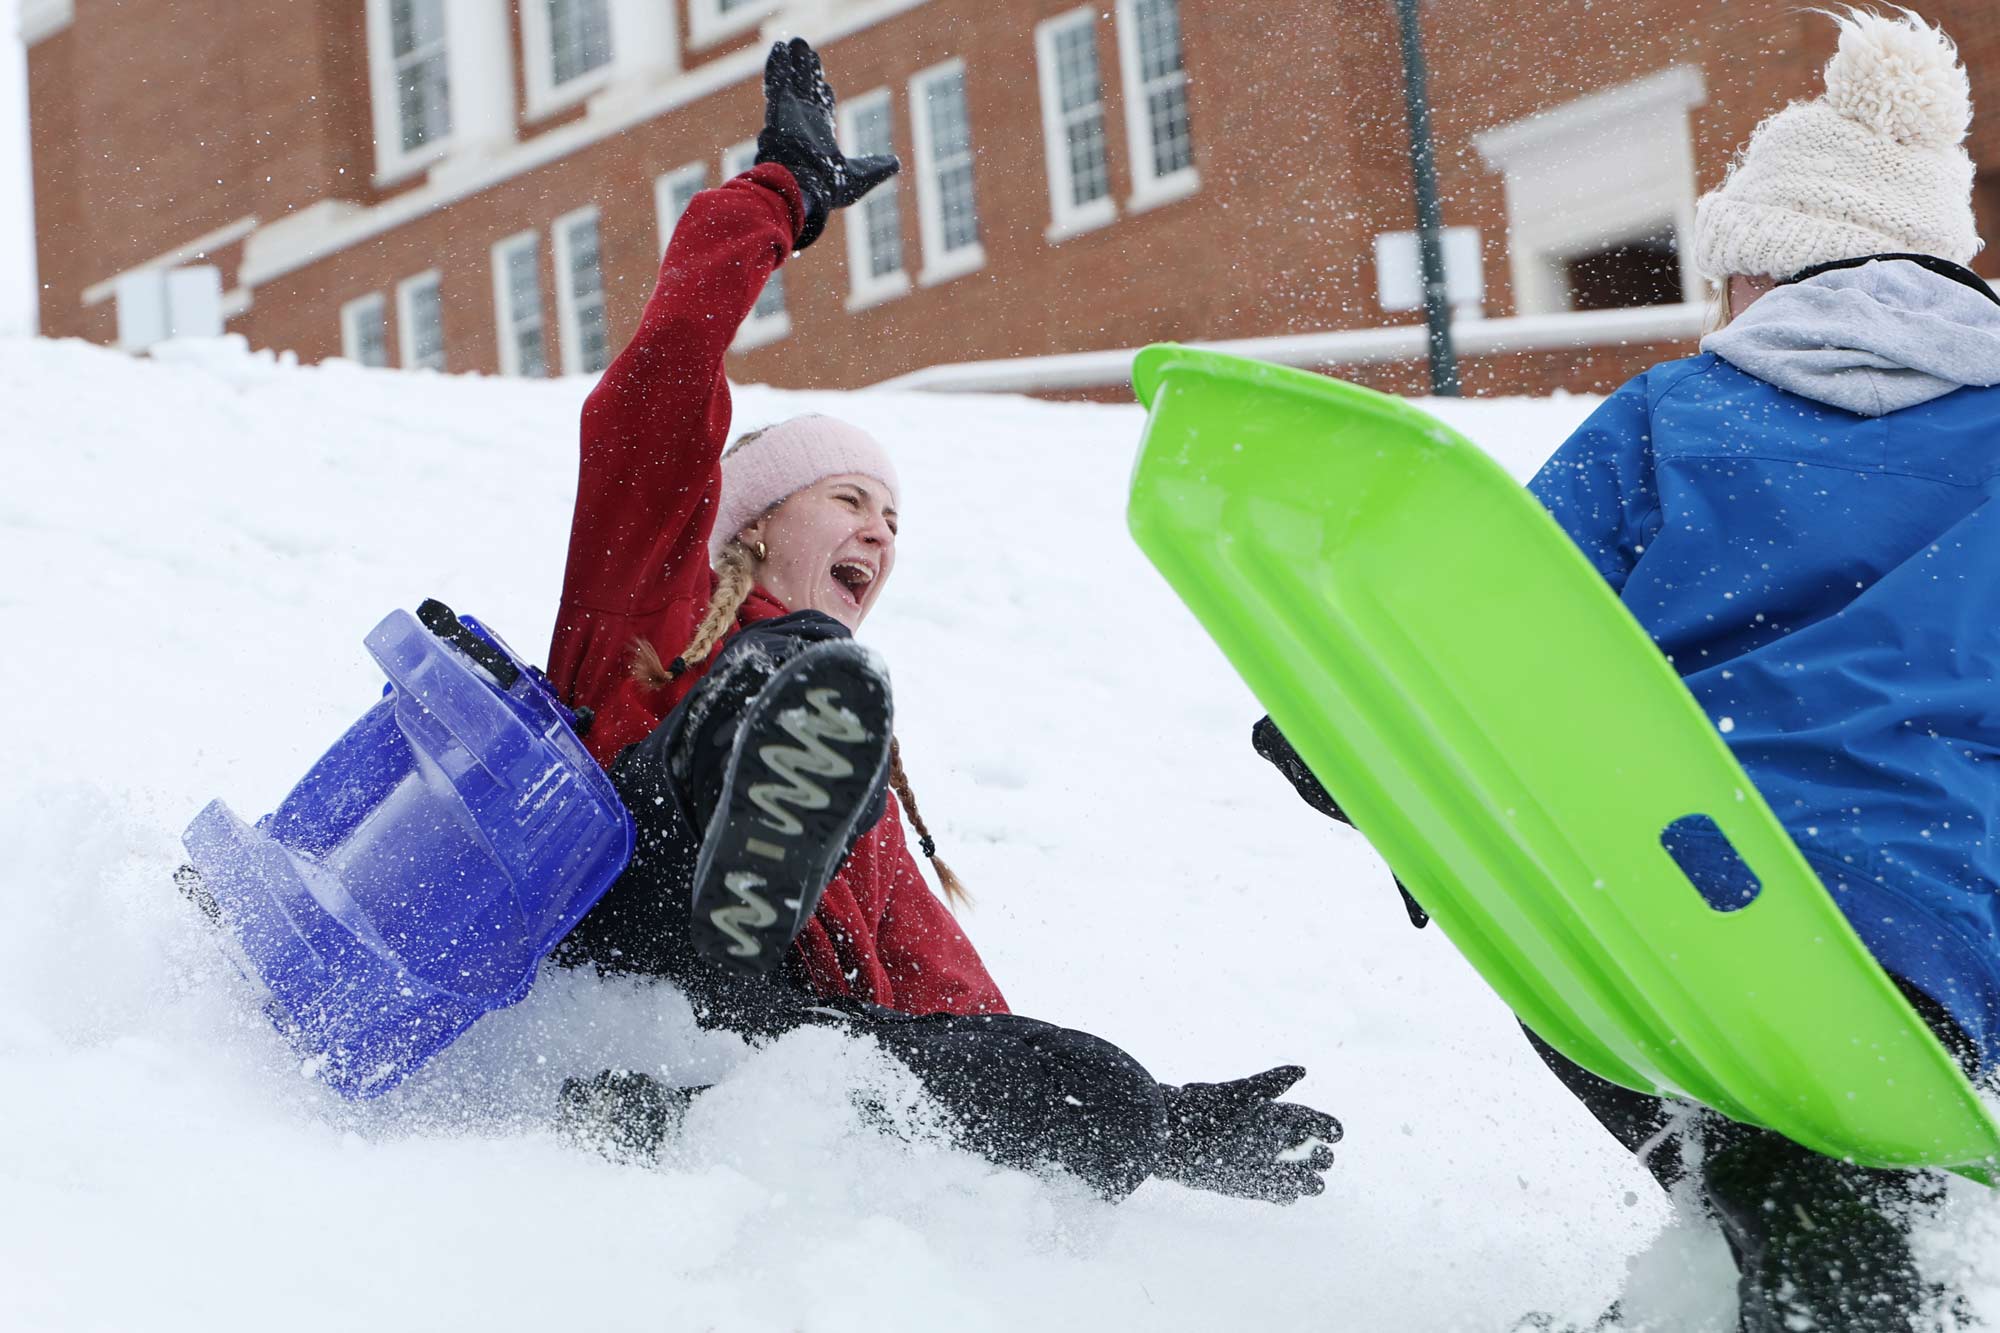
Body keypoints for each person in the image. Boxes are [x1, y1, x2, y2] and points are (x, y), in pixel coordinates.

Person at [1262, 9, 2000, 1329]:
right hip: (1922, 934)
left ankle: (1747, 1292)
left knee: (1737, 1153)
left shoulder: (1670, 416)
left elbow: (1489, 614)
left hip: (1646, 910)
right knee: (1814, 1178)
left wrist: (1342, 729)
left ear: (1770, 266)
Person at [543, 37, 1340, 1205]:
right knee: (794, 679)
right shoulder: (651, 607)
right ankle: (701, 973)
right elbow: (659, 373)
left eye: (895, 522)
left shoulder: (843, 757)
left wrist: (1147, 1125)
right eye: (850, 501)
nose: (879, 534)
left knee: (1088, 1082)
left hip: (773, 1038)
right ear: (754, 524)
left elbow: (939, 989)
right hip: (630, 912)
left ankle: (686, 1105)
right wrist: (782, 191)